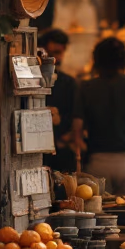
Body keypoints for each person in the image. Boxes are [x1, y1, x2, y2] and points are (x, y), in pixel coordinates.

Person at [72, 37, 125, 196]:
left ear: (96, 60)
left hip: (97, 164)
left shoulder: (86, 88)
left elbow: (76, 129)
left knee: (99, 217)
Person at [39, 29, 78, 173]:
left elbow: (74, 117)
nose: (58, 59)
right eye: (54, 53)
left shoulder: (69, 83)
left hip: (59, 151)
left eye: (61, 53)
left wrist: (60, 121)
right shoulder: (30, 80)